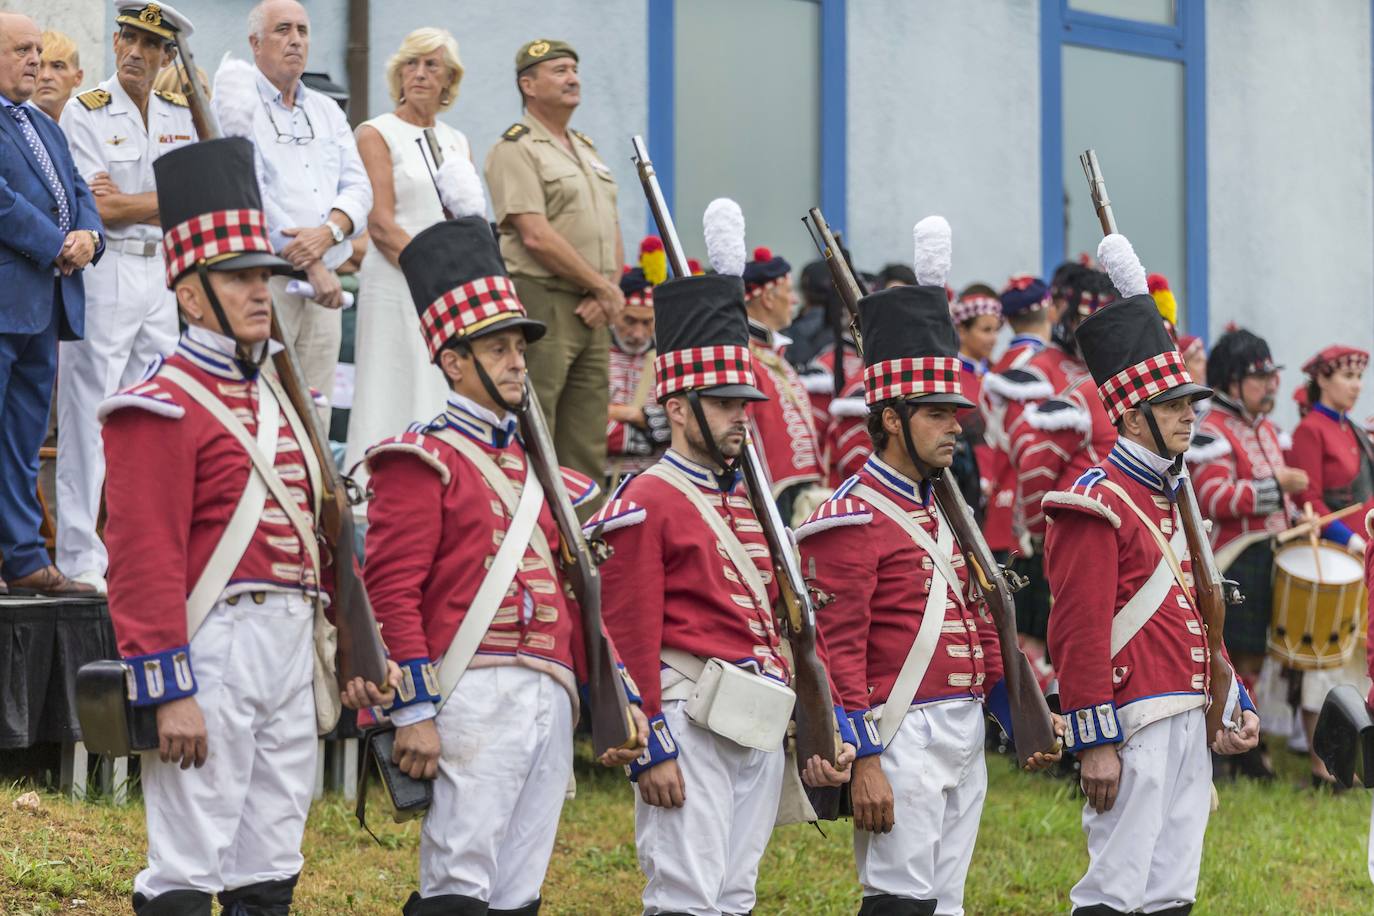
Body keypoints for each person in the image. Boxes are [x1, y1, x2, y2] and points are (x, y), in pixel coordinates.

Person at [100, 135, 396, 915]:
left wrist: (347, 640)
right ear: (192, 294)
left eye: (265, 275)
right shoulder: (158, 404)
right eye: (240, 279)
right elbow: (141, 558)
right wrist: (170, 689)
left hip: (290, 647)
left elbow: (322, 532)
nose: (262, 291)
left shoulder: (280, 400)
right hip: (216, 643)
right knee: (188, 866)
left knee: (270, 861)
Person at [358, 174, 647, 914]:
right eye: (498, 347)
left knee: (520, 887)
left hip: (547, 690)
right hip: (469, 688)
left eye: (520, 344)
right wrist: (413, 708)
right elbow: (390, 590)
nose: (519, 360)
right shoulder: (419, 456)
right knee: (460, 880)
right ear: (455, 361)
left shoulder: (547, 473)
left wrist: (613, 694)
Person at [588, 204, 854, 915]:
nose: (744, 415)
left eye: (745, 402)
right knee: (685, 894)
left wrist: (813, 726)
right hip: (690, 717)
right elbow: (628, 636)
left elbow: (784, 620)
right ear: (679, 408)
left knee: (734, 896)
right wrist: (651, 747)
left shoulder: (753, 503)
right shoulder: (646, 499)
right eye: (726, 404)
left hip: (756, 719)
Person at [797, 217, 1058, 915]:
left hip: (964, 727)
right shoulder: (849, 515)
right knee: (899, 902)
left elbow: (981, 619)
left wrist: (1016, 709)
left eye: (957, 412)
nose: (957, 426)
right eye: (939, 414)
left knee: (947, 904)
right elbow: (836, 653)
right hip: (899, 729)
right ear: (892, 418)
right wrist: (867, 759)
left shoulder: (947, 509)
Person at [1042, 233, 1259, 916]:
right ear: (1133, 417)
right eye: (1172, 407)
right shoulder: (1096, 501)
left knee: (1172, 893)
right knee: (1114, 891)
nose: (1189, 415)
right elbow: (1076, 634)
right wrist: (1094, 739)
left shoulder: (1174, 497)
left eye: (1190, 403)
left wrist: (1234, 700)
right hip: (1130, 724)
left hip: (1188, 717)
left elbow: (1201, 615)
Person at [54, 1, 197, 593]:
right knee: (89, 414)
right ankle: (80, 556)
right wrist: (170, 196)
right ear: (114, 44)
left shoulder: (180, 113)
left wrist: (149, 202)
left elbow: (200, 198)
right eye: (128, 38)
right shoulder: (84, 112)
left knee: (155, 416)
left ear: (167, 56)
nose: (136, 52)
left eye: (149, 44)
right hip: (107, 271)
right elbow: (102, 209)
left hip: (160, 275)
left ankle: (140, 551)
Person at [484, 38, 623, 488]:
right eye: (559, 70)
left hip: (594, 308)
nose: (573, 78)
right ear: (528, 84)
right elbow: (535, 235)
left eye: (574, 69)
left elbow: (610, 225)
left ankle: (584, 539)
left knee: (586, 435)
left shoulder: (585, 147)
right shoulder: (516, 148)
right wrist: (602, 288)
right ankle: (531, 528)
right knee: (535, 425)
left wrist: (609, 289)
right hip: (542, 300)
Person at [0, 12, 103, 597]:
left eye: (38, 49)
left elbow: (80, 190)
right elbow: (4, 201)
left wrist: (91, 237)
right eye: (20, 49)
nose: (35, 60)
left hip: (46, 304)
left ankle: (22, 559)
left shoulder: (45, 124)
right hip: (9, 298)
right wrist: (55, 242)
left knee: (20, 440)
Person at [343, 26, 467, 506]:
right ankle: (374, 493)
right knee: (390, 381)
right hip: (395, 281)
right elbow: (380, 224)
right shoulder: (376, 132)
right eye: (411, 64)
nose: (419, 73)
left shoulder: (458, 141)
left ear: (448, 79)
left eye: (431, 65)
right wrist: (433, 275)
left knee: (438, 384)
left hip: (446, 289)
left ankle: (438, 488)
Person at [1187, 326, 1305, 779]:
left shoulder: (1265, 431)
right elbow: (1212, 495)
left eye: (1271, 376)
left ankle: (1246, 741)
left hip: (1269, 555)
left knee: (1255, 656)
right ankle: (1227, 744)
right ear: (1232, 382)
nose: (1270, 386)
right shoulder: (1211, 429)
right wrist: (1275, 488)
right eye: (1258, 377)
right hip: (1235, 558)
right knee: (1233, 652)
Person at [248, 0, 372, 426]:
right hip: (267, 286)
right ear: (255, 43)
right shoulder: (239, 104)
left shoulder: (325, 109)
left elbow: (359, 188)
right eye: (283, 29)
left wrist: (331, 234)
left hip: (325, 291)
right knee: (263, 412)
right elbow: (253, 192)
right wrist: (312, 259)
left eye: (302, 30)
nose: (296, 40)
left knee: (314, 417)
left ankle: (308, 493)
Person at [992, 266, 1117, 666]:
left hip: (1103, 516)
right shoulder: (1037, 365)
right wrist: (1037, 521)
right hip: (1039, 520)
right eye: (1086, 321)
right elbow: (1027, 448)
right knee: (1034, 641)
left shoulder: (1108, 370)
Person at [1284, 345, 1374, 786]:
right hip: (1336, 556)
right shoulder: (1310, 431)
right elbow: (1310, 503)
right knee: (1326, 661)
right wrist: (1353, 539)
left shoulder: (1352, 430)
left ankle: (1350, 757)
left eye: (1359, 379)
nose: (1357, 386)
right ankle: (1322, 765)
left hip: (1363, 559)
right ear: (1322, 379)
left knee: (1355, 659)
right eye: (1347, 377)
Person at [743, 245, 824, 522]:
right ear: (767, 298)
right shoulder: (746, 356)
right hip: (768, 494)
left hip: (797, 490)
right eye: (788, 292)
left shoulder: (773, 354)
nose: (794, 301)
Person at [605, 240, 667, 491]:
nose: (639, 333)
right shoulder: (593, 355)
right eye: (630, 321)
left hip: (654, 482)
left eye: (647, 322)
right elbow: (580, 422)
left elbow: (676, 423)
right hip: (603, 480)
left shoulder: (666, 359)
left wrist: (614, 413)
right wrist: (637, 418)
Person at [948, 282, 1002, 520]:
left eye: (996, 330)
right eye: (986, 330)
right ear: (962, 331)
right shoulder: (952, 377)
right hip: (968, 489)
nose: (994, 338)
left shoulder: (994, 375)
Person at [34, 29, 83, 122]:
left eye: (58, 66)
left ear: (78, 77)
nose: (46, 76)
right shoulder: (9, 126)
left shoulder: (90, 124)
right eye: (38, 66)